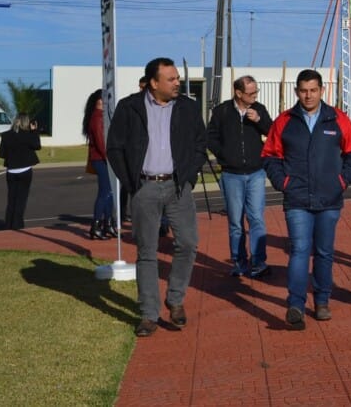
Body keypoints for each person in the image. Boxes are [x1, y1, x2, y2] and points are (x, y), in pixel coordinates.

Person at [106, 57, 208, 338]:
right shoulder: (130, 107)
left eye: (177, 78)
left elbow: (200, 143)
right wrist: (131, 183)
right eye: (171, 79)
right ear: (153, 83)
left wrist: (188, 176)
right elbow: (114, 148)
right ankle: (149, 314)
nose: (177, 83)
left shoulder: (187, 107)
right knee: (147, 251)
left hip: (178, 187)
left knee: (188, 243)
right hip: (144, 188)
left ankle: (175, 300)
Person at [261, 69, 351, 330]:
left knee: (324, 253)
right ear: (297, 92)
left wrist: (342, 181)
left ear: (321, 91)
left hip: (329, 199)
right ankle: (295, 305)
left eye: (313, 90)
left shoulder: (337, 118)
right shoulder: (284, 120)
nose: (308, 95)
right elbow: (270, 156)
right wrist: (283, 182)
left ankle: (322, 302)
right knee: (299, 251)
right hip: (296, 200)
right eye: (304, 90)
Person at [207, 75, 274, 278]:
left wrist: (259, 121)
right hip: (231, 174)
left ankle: (259, 262)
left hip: (255, 172)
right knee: (236, 222)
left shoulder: (259, 109)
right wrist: (224, 155)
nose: (254, 96)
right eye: (250, 93)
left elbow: (272, 132)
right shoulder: (222, 111)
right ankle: (239, 262)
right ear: (238, 93)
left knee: (256, 218)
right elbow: (210, 137)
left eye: (256, 92)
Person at [0, 113, 42, 230]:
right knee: (21, 199)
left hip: (11, 171)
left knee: (11, 199)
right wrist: (34, 131)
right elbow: (37, 145)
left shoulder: (6, 135)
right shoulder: (28, 135)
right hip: (25, 170)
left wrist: (11, 154)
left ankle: (8, 224)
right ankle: (17, 225)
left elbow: (0, 154)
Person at [83, 89, 116, 240]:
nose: (105, 102)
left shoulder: (102, 116)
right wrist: (109, 158)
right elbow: (100, 141)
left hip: (103, 158)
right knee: (104, 193)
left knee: (109, 193)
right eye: (103, 99)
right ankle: (96, 225)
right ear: (97, 101)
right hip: (101, 159)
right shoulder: (97, 118)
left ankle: (108, 223)